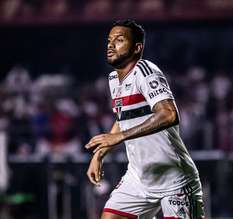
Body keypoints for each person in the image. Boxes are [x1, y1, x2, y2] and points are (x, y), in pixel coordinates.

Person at [85, 19, 205, 219]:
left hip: (174, 180)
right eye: (109, 40)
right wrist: (99, 155)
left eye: (120, 40)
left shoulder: (145, 70)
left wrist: (121, 136)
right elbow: (123, 119)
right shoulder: (113, 79)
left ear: (136, 47)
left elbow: (169, 114)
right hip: (139, 178)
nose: (110, 45)